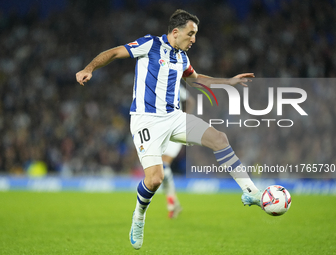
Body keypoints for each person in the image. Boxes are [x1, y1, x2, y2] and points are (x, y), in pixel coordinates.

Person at [76, 9, 262, 250]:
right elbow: (113, 52)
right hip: (146, 120)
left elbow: (195, 80)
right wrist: (89, 68)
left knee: (219, 138)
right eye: (190, 34)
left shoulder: (182, 57)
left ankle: (251, 192)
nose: (194, 39)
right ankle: (139, 216)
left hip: (174, 117)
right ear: (176, 32)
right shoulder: (150, 44)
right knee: (155, 180)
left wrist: (228, 81)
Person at [162, 82, 195, 219]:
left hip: (175, 131)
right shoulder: (156, 86)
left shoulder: (175, 86)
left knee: (163, 166)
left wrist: (185, 118)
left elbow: (190, 101)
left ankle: (173, 204)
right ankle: (174, 203)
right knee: (161, 169)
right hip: (162, 131)